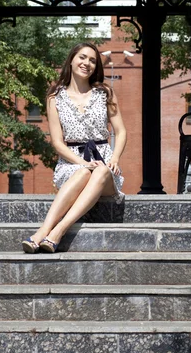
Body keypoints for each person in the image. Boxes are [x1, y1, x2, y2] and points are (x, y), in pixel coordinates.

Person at [22, 42, 127, 254]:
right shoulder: (54, 98)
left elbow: (121, 131)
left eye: (92, 60)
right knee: (82, 173)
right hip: (71, 163)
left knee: (100, 170)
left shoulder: (105, 93)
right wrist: (83, 163)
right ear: (71, 59)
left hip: (103, 163)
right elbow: (58, 143)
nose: (86, 63)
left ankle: (57, 231)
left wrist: (114, 158)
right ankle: (45, 231)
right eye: (82, 57)